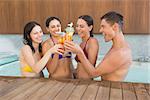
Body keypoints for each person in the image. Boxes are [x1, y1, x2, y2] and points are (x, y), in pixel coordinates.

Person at [64, 11, 132, 81]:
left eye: (103, 26)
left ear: (115, 27)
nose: (100, 30)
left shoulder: (121, 53)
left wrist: (79, 52)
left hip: (111, 90)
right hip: (107, 89)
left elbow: (94, 73)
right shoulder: (117, 48)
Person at [73, 15, 99, 79]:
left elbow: (91, 69)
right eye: (77, 26)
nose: (78, 29)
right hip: (78, 82)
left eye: (81, 26)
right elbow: (80, 66)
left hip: (86, 84)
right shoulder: (81, 44)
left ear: (90, 28)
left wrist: (79, 52)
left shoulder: (92, 42)